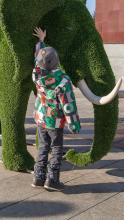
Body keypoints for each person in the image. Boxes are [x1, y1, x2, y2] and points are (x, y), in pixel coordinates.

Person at [31, 27, 81, 191]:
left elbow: (39, 59)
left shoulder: (37, 75)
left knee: (43, 147)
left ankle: (38, 177)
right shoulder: (63, 81)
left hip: (41, 118)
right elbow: (68, 105)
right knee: (57, 149)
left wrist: (41, 42)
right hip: (55, 122)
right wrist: (74, 125)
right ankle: (52, 180)